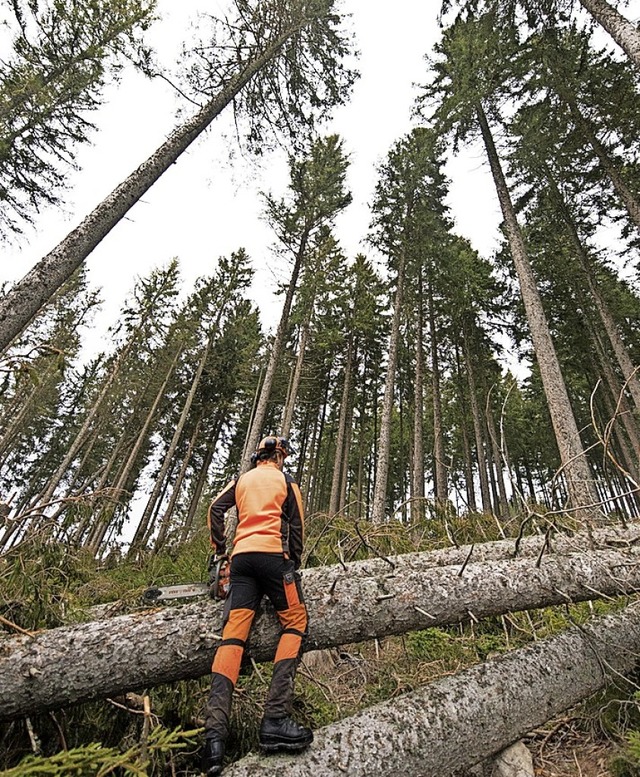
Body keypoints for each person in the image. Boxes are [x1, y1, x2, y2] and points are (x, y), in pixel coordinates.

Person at [201, 435, 312, 776]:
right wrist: (293, 558)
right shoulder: (285, 479)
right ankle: (276, 717)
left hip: (242, 561)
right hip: (272, 558)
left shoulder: (242, 480)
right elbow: (298, 523)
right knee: (295, 622)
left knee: (233, 638)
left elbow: (214, 510)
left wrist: (221, 549)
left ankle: (214, 738)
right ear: (279, 455)